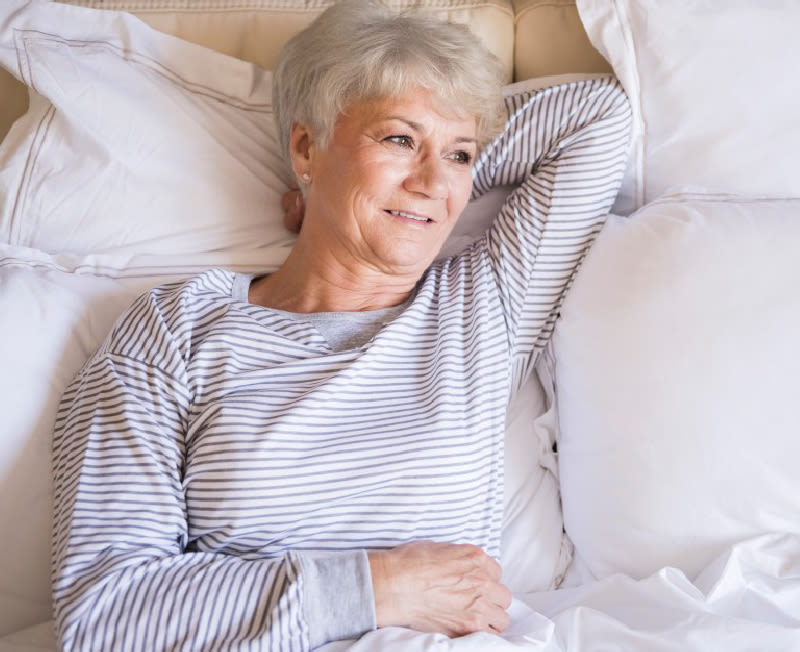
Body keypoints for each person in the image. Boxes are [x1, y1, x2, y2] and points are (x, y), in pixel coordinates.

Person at [51, 1, 632, 650]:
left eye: (461, 153)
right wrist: (381, 588)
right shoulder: (173, 329)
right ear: (306, 143)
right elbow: (103, 614)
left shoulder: (483, 306)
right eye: (398, 139)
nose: (434, 179)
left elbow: (597, 118)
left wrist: (410, 188)